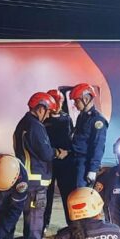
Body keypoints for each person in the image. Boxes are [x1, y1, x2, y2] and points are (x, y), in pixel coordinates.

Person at [13, 92, 66, 239]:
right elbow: (45, 152)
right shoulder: (35, 126)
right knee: (35, 217)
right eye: (48, 111)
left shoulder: (23, 123)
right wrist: (57, 152)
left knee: (30, 215)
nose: (48, 115)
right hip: (36, 179)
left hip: (27, 178)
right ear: (41, 108)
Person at [68, 83, 108, 192]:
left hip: (85, 164)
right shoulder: (82, 116)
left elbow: (98, 145)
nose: (75, 105)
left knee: (81, 195)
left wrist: (93, 169)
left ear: (85, 99)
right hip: (76, 161)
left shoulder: (97, 120)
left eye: (77, 101)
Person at [43, 88, 74, 230]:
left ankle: (72, 224)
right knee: (46, 196)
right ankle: (44, 224)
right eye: (56, 102)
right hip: (48, 163)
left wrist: (68, 152)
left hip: (64, 164)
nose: (59, 105)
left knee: (67, 194)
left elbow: (70, 138)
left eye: (61, 102)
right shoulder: (44, 120)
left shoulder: (66, 118)